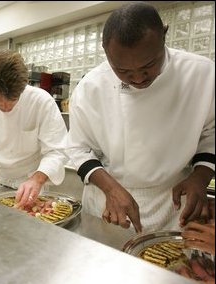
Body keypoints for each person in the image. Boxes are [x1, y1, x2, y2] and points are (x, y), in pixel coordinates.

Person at [65, 2, 215, 233]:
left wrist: (200, 177)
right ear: (105, 51)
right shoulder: (90, 88)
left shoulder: (202, 74)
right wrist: (111, 189)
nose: (137, 78)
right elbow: (78, 149)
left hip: (172, 204)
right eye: (122, 71)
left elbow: (211, 134)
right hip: (107, 203)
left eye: (148, 65)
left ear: (164, 35)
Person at [0, 50, 67, 206]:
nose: (5, 106)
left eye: (12, 100)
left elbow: (57, 150)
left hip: (33, 186)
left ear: (23, 88)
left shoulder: (41, 102)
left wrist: (37, 179)